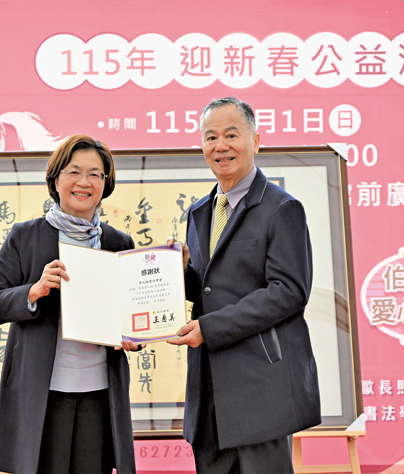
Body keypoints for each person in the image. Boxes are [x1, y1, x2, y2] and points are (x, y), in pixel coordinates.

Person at [167, 97, 321, 473]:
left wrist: (210, 328)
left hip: (260, 387)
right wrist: (178, 272)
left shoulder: (281, 208)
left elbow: (289, 291)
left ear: (255, 141)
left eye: (231, 135)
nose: (221, 146)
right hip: (209, 387)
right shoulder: (199, 211)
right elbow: (208, 288)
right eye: (211, 137)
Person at [0, 134, 138, 474]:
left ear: (105, 183)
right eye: (74, 172)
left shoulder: (118, 242)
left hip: (100, 392)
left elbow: (132, 314)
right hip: (43, 393)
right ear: (55, 180)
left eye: (95, 174)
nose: (84, 182)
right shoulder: (25, 236)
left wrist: (134, 336)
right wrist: (33, 291)